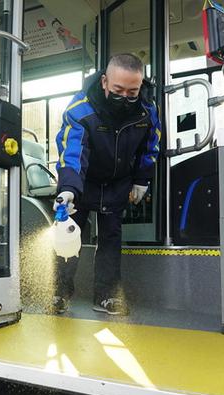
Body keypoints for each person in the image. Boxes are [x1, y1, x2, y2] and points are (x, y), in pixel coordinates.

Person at [52, 53, 161, 315]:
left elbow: (150, 147)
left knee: (111, 239)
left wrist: (141, 180)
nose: (125, 97)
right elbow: (73, 150)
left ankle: (106, 296)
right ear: (104, 82)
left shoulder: (147, 110)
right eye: (118, 90)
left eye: (132, 91)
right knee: (67, 237)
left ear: (140, 86)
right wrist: (68, 188)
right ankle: (59, 292)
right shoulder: (80, 109)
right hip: (82, 181)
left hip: (117, 184)